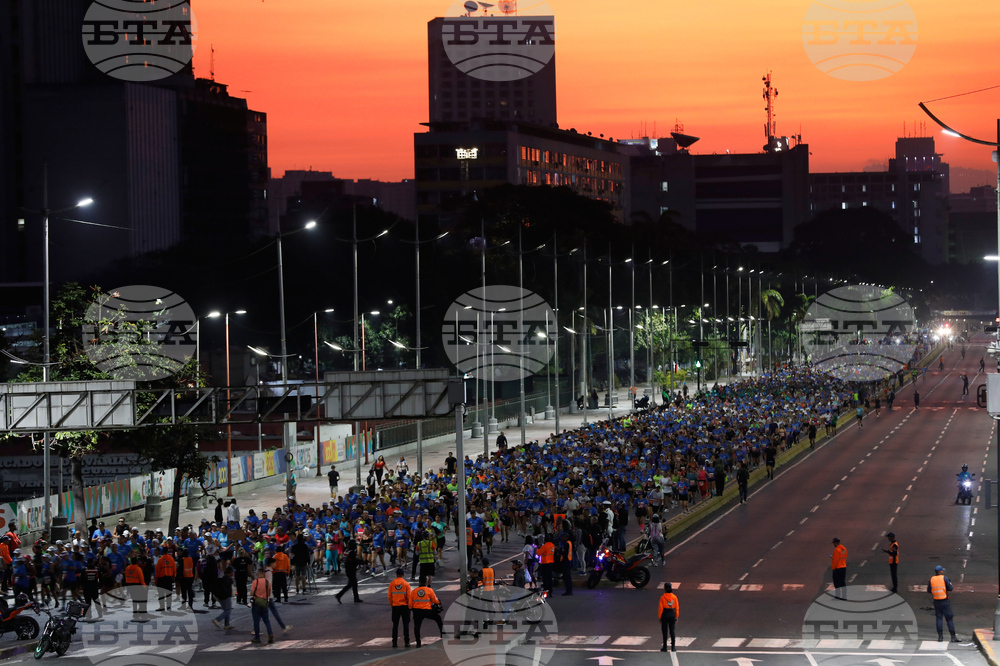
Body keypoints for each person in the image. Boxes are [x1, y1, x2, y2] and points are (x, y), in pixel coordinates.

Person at [928, 565, 959, 642]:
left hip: (936, 601)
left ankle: (940, 637)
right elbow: (950, 588)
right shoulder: (944, 578)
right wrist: (949, 582)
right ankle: (953, 637)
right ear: (941, 571)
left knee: (939, 619)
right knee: (949, 619)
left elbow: (929, 590)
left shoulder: (931, 579)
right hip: (944, 601)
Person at [408, 583, 443, 648]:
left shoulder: (414, 591)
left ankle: (418, 642)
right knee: (438, 618)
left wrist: (411, 609)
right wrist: (438, 602)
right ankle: (442, 633)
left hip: (417, 611)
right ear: (426, 582)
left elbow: (410, 603)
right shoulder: (429, 590)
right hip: (427, 610)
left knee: (417, 626)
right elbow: (434, 600)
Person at [388, 568, 412, 648]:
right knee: (406, 624)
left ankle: (394, 642)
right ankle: (407, 642)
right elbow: (409, 597)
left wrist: (392, 604)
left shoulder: (392, 584)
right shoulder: (406, 584)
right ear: (403, 575)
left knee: (395, 625)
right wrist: (409, 606)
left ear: (396, 574)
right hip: (405, 606)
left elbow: (389, 596)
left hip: (395, 606)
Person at [249, 569, 274, 645]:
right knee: (266, 620)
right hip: (264, 603)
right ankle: (270, 633)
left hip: (256, 603)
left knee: (256, 621)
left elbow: (252, 593)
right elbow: (269, 593)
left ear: (258, 574)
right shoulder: (267, 582)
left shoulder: (255, 582)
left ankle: (257, 637)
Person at [658, 582, 679, 652]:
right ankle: (673, 647)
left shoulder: (662, 597)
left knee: (664, 631)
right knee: (672, 631)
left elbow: (660, 608)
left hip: (665, 613)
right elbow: (677, 608)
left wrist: (660, 617)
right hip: (672, 613)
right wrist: (676, 616)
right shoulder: (674, 597)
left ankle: (665, 647)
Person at [212, 566, 235, 630]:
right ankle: (217, 619)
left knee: (227, 610)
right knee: (228, 610)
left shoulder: (223, 577)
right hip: (225, 596)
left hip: (220, 596)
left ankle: (226, 625)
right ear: (230, 572)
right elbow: (229, 586)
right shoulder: (228, 578)